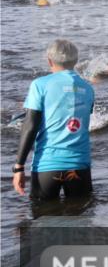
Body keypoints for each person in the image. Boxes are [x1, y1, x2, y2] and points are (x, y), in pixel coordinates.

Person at [12, 39, 95, 200]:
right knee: (80, 214)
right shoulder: (88, 88)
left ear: (49, 61)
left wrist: (19, 167)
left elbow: (30, 126)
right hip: (80, 165)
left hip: (47, 166)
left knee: (43, 214)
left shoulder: (39, 85)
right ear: (76, 61)